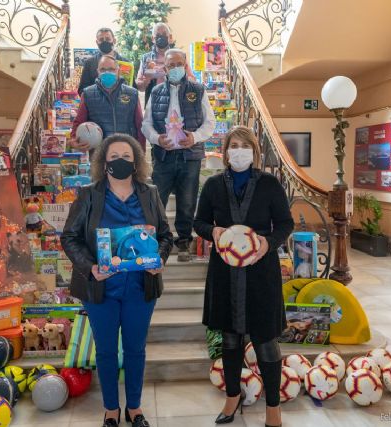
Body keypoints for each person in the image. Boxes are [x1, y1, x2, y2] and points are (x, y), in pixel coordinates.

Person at [61, 134, 173, 427]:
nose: (120, 161)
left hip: (140, 287)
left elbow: (165, 235)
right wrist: (90, 267)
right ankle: (111, 409)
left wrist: (159, 259)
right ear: (103, 162)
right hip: (101, 288)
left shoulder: (149, 193)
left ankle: (134, 407)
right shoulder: (89, 194)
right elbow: (70, 237)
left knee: (136, 349)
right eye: (114, 157)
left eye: (126, 156)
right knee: (106, 350)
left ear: (136, 162)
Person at [193, 126, 294, 427]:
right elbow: (199, 222)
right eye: (233, 146)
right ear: (225, 152)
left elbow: (285, 224)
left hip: (261, 271)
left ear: (255, 151)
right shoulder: (213, 185)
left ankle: (273, 407)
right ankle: (232, 396)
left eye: (244, 145)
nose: (239, 151)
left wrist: (268, 243)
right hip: (225, 271)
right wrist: (213, 231)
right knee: (230, 338)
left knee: (265, 340)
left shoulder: (270, 184)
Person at [142, 48, 216, 262]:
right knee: (156, 201)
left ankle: (183, 242)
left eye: (179, 64)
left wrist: (195, 137)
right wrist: (157, 139)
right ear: (164, 68)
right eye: (171, 65)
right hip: (163, 156)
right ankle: (155, 242)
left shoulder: (198, 90)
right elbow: (146, 124)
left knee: (187, 201)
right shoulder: (156, 92)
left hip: (190, 156)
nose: (175, 68)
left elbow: (210, 123)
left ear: (185, 66)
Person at [71, 55, 146, 152]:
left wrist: (141, 151)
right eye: (103, 69)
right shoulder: (87, 94)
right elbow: (79, 121)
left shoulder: (132, 93)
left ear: (118, 71)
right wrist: (74, 140)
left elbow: (140, 125)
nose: (107, 72)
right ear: (98, 72)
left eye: (111, 69)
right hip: (99, 153)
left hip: (126, 151)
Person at [135, 23, 196, 106]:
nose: (161, 37)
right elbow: (140, 87)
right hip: (154, 104)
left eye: (164, 35)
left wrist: (179, 76)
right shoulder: (146, 59)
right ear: (153, 38)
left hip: (178, 102)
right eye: (157, 35)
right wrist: (147, 79)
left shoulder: (179, 56)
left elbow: (192, 80)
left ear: (170, 37)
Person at [78, 28, 130, 95]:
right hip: (96, 101)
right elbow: (82, 90)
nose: (104, 42)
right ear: (97, 42)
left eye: (108, 39)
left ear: (114, 41)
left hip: (121, 100)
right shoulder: (89, 63)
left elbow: (132, 88)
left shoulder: (126, 63)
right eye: (101, 40)